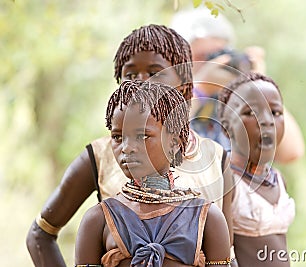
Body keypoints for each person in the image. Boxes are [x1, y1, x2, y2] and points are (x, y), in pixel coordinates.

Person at [26, 24, 234, 267]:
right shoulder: (100, 156)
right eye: (131, 75)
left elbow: (227, 251)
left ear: (186, 87)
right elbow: (40, 234)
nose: (143, 83)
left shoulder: (216, 158)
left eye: (156, 73)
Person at [75, 80, 231, 266]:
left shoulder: (207, 218)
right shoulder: (99, 220)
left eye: (142, 136)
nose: (127, 148)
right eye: (118, 137)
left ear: (174, 143)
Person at [170, 8, 305, 163]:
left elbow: (291, 152)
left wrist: (260, 88)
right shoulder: (158, 97)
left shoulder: (235, 102)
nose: (212, 63)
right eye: (202, 56)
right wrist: (200, 89)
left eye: (219, 54)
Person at [218, 72, 295, 266]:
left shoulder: (277, 178)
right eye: (251, 112)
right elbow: (222, 257)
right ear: (226, 125)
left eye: (276, 113)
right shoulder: (227, 180)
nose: (267, 121)